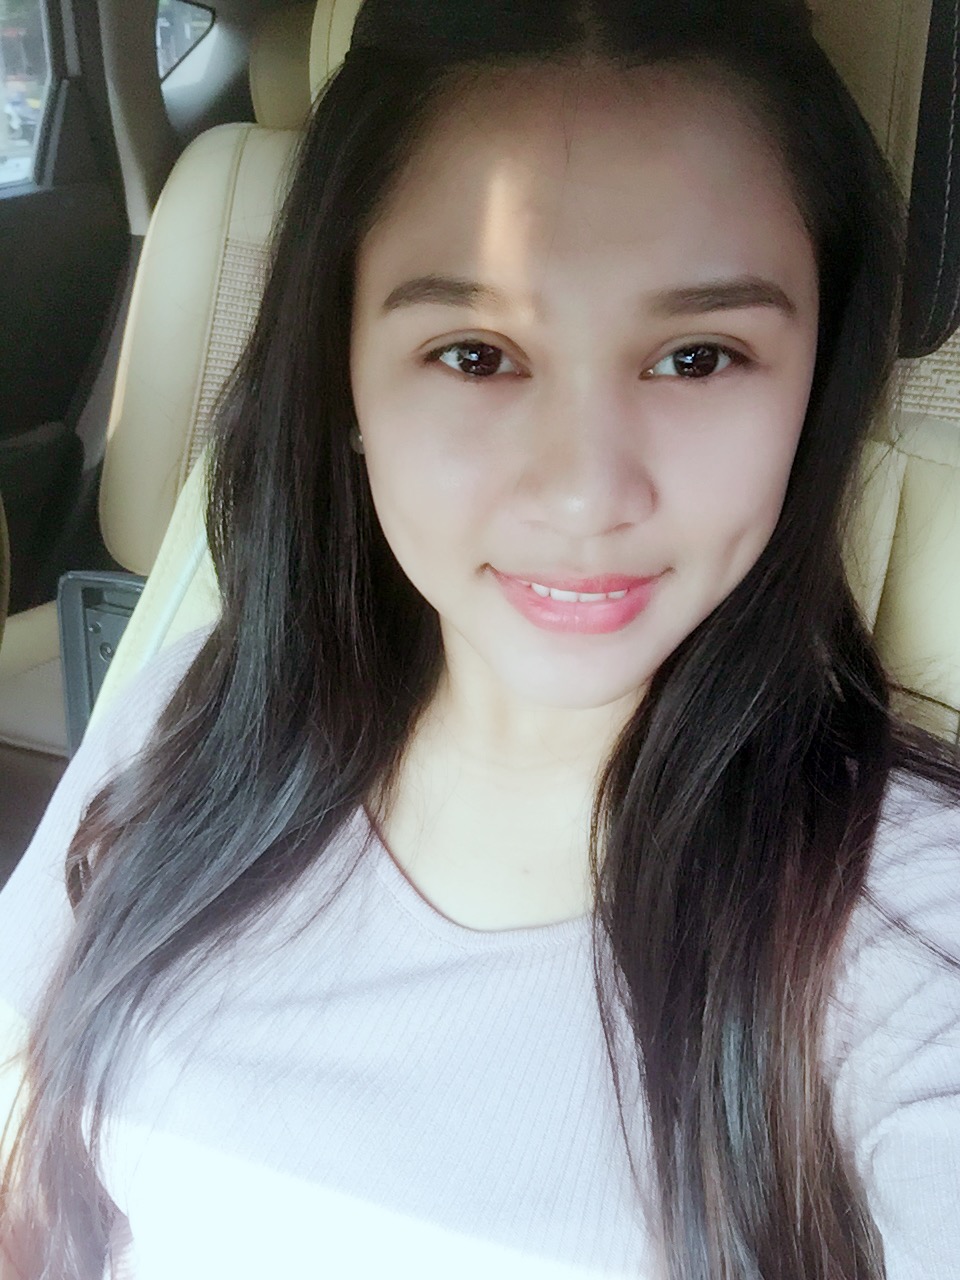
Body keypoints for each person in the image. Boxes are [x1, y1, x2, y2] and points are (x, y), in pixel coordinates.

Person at [2, 1, 959, 1276]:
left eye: (698, 357)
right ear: (343, 374)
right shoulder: (198, 712)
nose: (585, 494)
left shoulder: (909, 922)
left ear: (816, 385)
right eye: (474, 354)